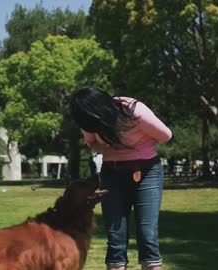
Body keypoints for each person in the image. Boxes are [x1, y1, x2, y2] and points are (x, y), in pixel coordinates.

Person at [69, 87, 172, 270]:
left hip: (146, 172)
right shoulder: (89, 120)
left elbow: (165, 136)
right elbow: (92, 143)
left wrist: (133, 145)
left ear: (99, 110)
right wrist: (110, 149)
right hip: (112, 173)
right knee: (116, 237)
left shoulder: (133, 111)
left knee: (147, 234)